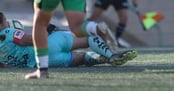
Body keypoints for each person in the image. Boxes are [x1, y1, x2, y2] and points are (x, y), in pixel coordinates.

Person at [0, 11, 137, 68]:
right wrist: (46, 30)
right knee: (87, 38)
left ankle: (102, 58)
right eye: (5, 21)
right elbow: (31, 40)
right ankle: (111, 55)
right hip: (48, 46)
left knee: (82, 58)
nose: (7, 23)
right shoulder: (7, 32)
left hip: (45, 63)